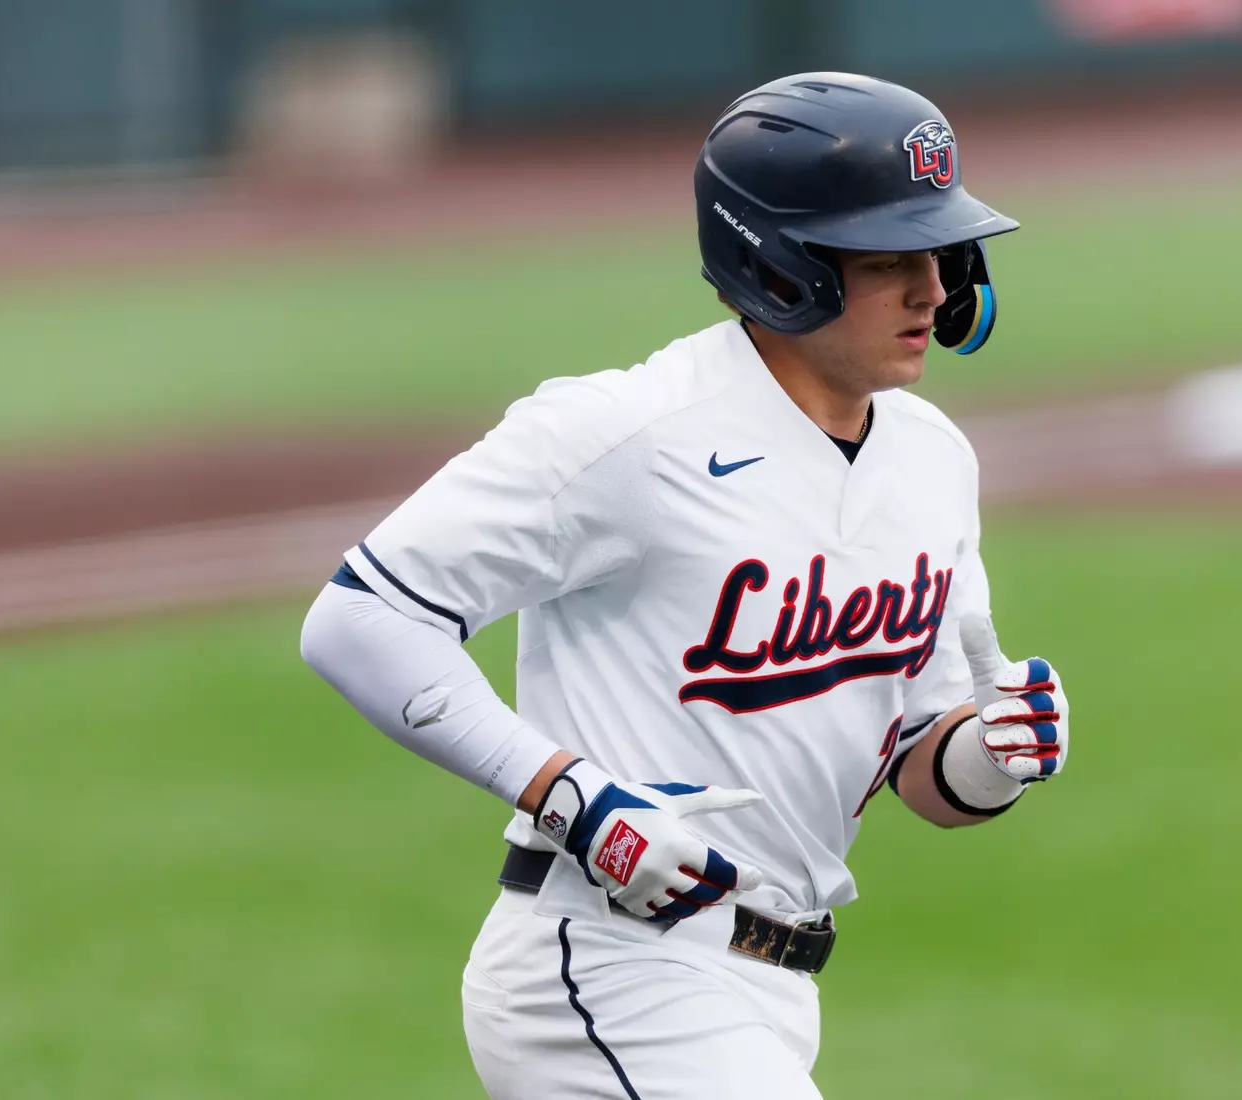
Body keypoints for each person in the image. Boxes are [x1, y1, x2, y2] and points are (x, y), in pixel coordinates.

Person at [300, 71, 1072, 1100]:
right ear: (782, 267)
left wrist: (993, 752)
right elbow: (360, 616)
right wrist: (574, 799)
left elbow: (923, 763)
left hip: (768, 989)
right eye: (891, 258)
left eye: (942, 251)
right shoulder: (627, 433)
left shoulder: (933, 458)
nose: (934, 288)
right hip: (610, 966)